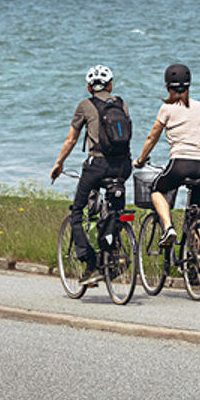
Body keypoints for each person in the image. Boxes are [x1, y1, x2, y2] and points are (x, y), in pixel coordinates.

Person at [50, 64, 134, 285]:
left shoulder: (84, 106)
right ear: (111, 85)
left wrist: (59, 164)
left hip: (98, 166)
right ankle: (116, 253)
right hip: (124, 166)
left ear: (89, 88)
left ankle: (91, 263)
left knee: (77, 210)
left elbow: (71, 140)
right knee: (116, 209)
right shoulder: (122, 104)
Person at [133, 63, 200, 247]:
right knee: (197, 211)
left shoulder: (166, 109)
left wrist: (141, 160)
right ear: (189, 85)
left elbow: (152, 136)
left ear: (168, 86)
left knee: (156, 190)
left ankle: (168, 228)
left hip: (180, 164)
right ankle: (197, 257)